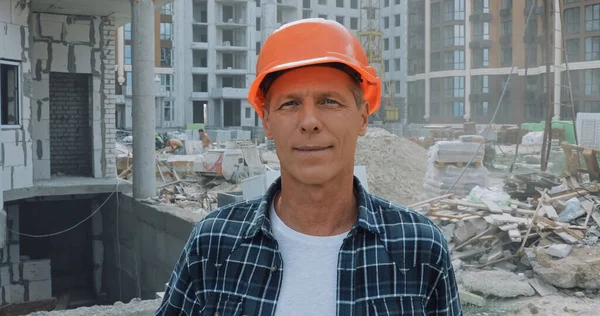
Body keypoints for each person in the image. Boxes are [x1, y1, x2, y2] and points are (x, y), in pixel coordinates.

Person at [156, 19, 461, 315]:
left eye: (329, 101)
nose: (310, 122)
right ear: (267, 122)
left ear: (363, 118)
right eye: (289, 104)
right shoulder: (215, 242)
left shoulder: (418, 248)